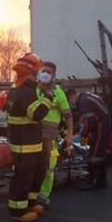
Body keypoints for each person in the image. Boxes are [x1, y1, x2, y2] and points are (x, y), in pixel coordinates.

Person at [6, 53, 53, 222]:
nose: (39, 74)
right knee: (23, 176)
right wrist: (48, 98)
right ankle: (17, 211)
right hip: (24, 144)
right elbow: (37, 114)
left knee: (37, 172)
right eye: (38, 71)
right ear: (31, 72)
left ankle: (30, 203)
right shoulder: (24, 91)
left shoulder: (19, 88)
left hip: (30, 142)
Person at [35, 61, 73, 208]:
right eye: (43, 71)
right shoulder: (33, 90)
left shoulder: (58, 92)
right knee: (33, 167)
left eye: (49, 72)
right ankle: (32, 195)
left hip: (50, 138)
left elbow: (68, 116)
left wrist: (69, 135)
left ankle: (43, 197)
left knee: (49, 168)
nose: (45, 74)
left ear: (54, 75)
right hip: (33, 136)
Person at [67, 89, 112, 189]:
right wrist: (78, 131)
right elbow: (84, 120)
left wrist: (80, 135)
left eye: (70, 100)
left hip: (101, 126)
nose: (71, 103)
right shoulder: (86, 97)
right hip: (103, 124)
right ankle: (100, 180)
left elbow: (89, 123)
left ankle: (94, 182)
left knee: (95, 154)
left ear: (71, 96)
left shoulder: (83, 102)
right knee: (98, 152)